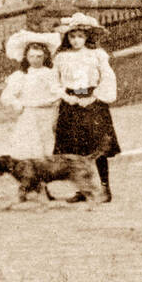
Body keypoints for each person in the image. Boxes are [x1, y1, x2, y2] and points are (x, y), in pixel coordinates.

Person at [51, 13, 120, 203]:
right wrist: (68, 97)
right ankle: (82, 190)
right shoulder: (61, 57)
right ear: (67, 38)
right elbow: (54, 82)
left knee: (97, 147)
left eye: (80, 36)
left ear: (87, 37)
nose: (76, 40)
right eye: (72, 36)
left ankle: (105, 189)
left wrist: (94, 96)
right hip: (71, 103)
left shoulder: (97, 55)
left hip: (92, 103)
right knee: (75, 150)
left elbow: (108, 77)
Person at [0, 35, 63, 159]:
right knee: (29, 144)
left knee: (48, 144)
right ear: (26, 57)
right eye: (31, 56)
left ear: (45, 56)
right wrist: (17, 104)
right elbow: (7, 95)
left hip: (47, 114)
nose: (35, 60)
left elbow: (58, 92)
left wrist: (56, 103)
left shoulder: (50, 73)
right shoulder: (22, 75)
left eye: (39, 56)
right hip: (29, 114)